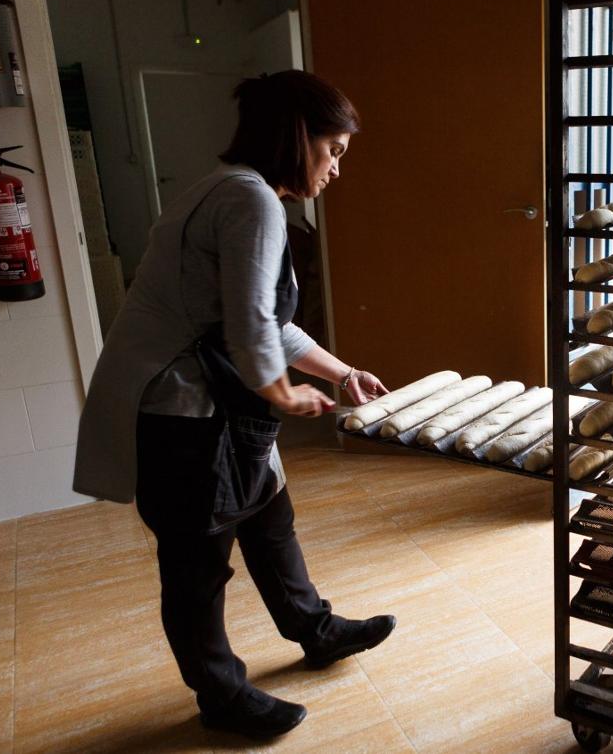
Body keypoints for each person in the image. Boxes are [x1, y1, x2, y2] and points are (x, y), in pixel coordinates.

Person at [73, 70, 395, 740]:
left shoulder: (234, 191)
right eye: (332, 149)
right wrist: (280, 391)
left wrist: (342, 374)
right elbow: (250, 322)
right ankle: (220, 694)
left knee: (269, 520)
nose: (337, 167)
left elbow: (266, 324)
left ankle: (316, 628)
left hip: (215, 399)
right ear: (298, 138)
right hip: (181, 410)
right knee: (196, 560)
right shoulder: (252, 202)